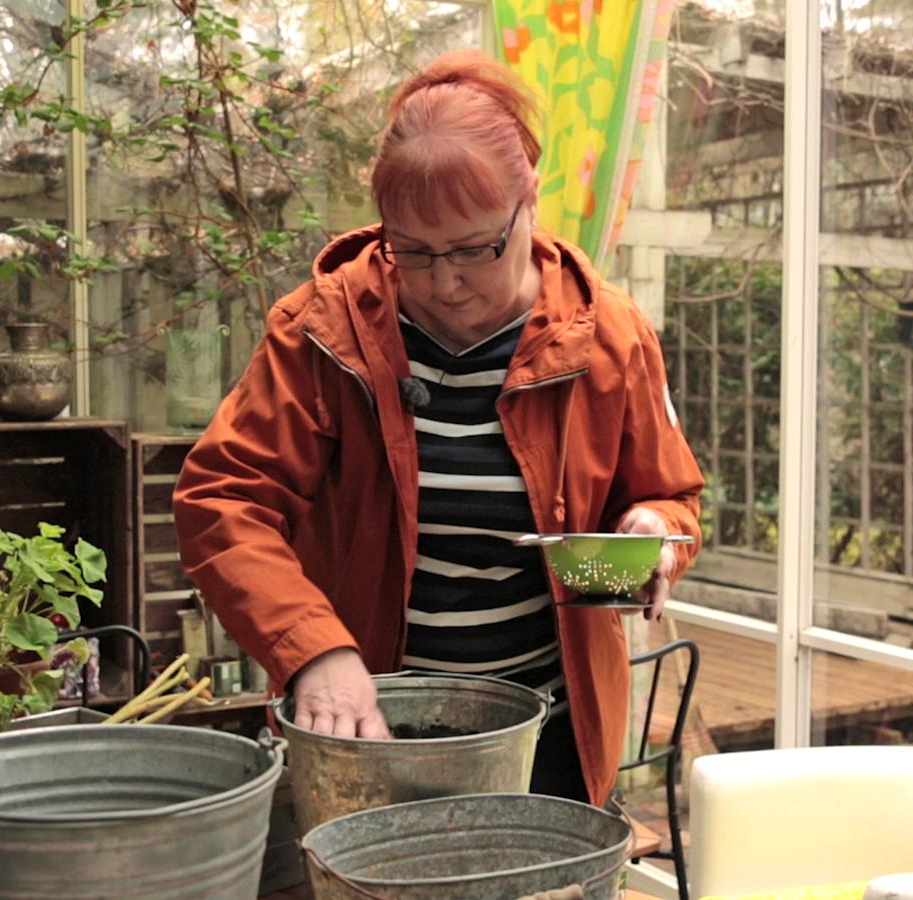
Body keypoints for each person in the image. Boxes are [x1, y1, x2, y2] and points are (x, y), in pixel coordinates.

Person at [172, 49, 703, 806]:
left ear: (529, 198)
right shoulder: (322, 333)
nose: (445, 282)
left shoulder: (608, 338)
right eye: (413, 252)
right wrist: (311, 649)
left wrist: (654, 530)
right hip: (368, 727)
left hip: (548, 738)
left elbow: (673, 498)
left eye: (474, 249)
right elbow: (222, 500)